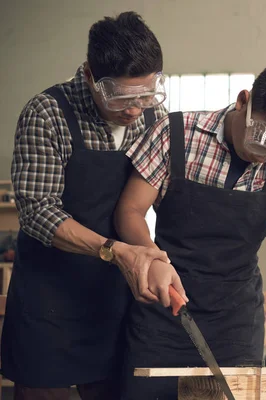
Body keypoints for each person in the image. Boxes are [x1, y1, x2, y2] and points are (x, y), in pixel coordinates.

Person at [114, 62, 266, 399]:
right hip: (161, 313)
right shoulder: (175, 133)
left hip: (235, 323)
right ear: (244, 101)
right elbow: (129, 211)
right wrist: (151, 257)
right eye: (264, 141)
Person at [0, 11, 178, 400]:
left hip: (114, 297)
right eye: (121, 97)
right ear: (88, 76)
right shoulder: (47, 114)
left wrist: (155, 256)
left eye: (146, 95)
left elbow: (162, 199)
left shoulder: (154, 118)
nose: (135, 109)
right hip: (49, 299)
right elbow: (39, 212)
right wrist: (115, 251)